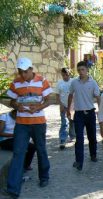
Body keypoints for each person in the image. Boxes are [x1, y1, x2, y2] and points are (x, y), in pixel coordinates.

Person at [4, 57, 52, 198]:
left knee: (41, 150)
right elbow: (11, 100)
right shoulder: (16, 82)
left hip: (38, 123)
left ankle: (44, 177)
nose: (23, 75)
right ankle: (13, 188)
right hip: (22, 124)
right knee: (18, 153)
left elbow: (49, 100)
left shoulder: (42, 81)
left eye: (25, 71)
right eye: (20, 72)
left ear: (31, 69)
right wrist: (16, 105)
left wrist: (39, 106)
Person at [67, 61, 100, 171]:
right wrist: (68, 110)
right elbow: (70, 95)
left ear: (87, 70)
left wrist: (101, 110)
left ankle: (93, 154)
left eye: (83, 69)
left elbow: (98, 97)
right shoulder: (74, 83)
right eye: (79, 70)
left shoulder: (93, 83)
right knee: (79, 139)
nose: (81, 72)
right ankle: (79, 161)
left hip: (90, 113)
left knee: (92, 136)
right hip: (79, 114)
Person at [54, 68, 75, 150]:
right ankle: (63, 139)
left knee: (72, 121)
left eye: (66, 74)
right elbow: (57, 95)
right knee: (64, 122)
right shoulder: (59, 83)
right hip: (63, 105)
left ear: (69, 74)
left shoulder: (73, 82)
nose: (65, 76)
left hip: (72, 105)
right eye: (63, 75)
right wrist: (60, 104)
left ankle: (73, 136)